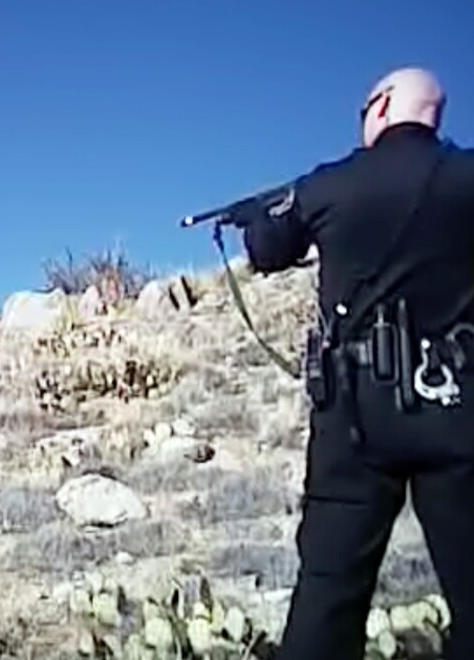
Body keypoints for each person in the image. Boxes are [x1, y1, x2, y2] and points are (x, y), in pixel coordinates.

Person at [232, 67, 474, 659]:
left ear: (383, 105)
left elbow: (267, 251)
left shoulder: (331, 183)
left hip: (355, 413)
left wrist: (263, 218)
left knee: (329, 594)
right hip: (458, 406)